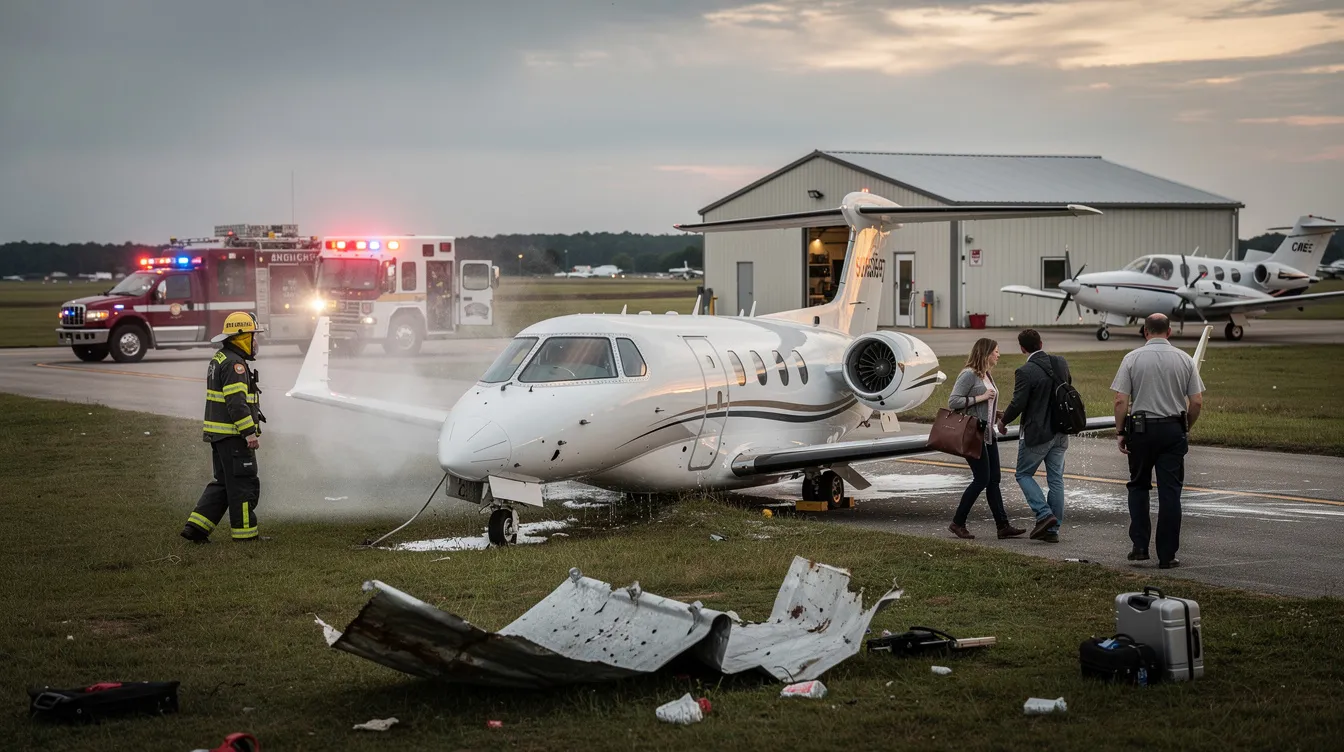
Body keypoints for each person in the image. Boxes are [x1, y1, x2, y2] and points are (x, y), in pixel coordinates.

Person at [1111, 313, 1205, 568]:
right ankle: (1167, 554)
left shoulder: (1132, 358)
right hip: (1173, 429)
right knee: (1170, 492)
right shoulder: (1185, 359)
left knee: (1139, 486)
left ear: (1145, 332)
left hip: (1141, 430)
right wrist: (1185, 427)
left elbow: (1121, 400)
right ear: (1170, 332)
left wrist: (1121, 431)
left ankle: (1140, 546)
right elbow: (1196, 401)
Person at [181, 312, 267, 543]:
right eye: (252, 336)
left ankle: (196, 529)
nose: (255, 342)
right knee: (243, 485)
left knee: (223, 484)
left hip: (220, 435)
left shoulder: (220, 358)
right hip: (234, 436)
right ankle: (246, 536)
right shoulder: (235, 364)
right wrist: (249, 433)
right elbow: (236, 403)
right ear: (241, 337)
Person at [947, 338, 1026, 540]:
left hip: (988, 433)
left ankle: (1003, 526)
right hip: (974, 435)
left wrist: (996, 414)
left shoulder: (986, 375)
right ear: (986, 353)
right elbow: (953, 401)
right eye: (996, 352)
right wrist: (981, 398)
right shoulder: (968, 375)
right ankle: (957, 522)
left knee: (994, 480)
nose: (999, 355)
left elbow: (984, 406)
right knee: (982, 479)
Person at [998, 329, 1072, 543]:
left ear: (1022, 348)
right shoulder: (1061, 363)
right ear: (1041, 343)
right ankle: (1052, 530)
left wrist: (1003, 422)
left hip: (1039, 433)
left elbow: (1018, 403)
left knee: (1023, 474)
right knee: (1056, 479)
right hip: (1061, 431)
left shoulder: (1025, 371)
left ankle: (1044, 514)